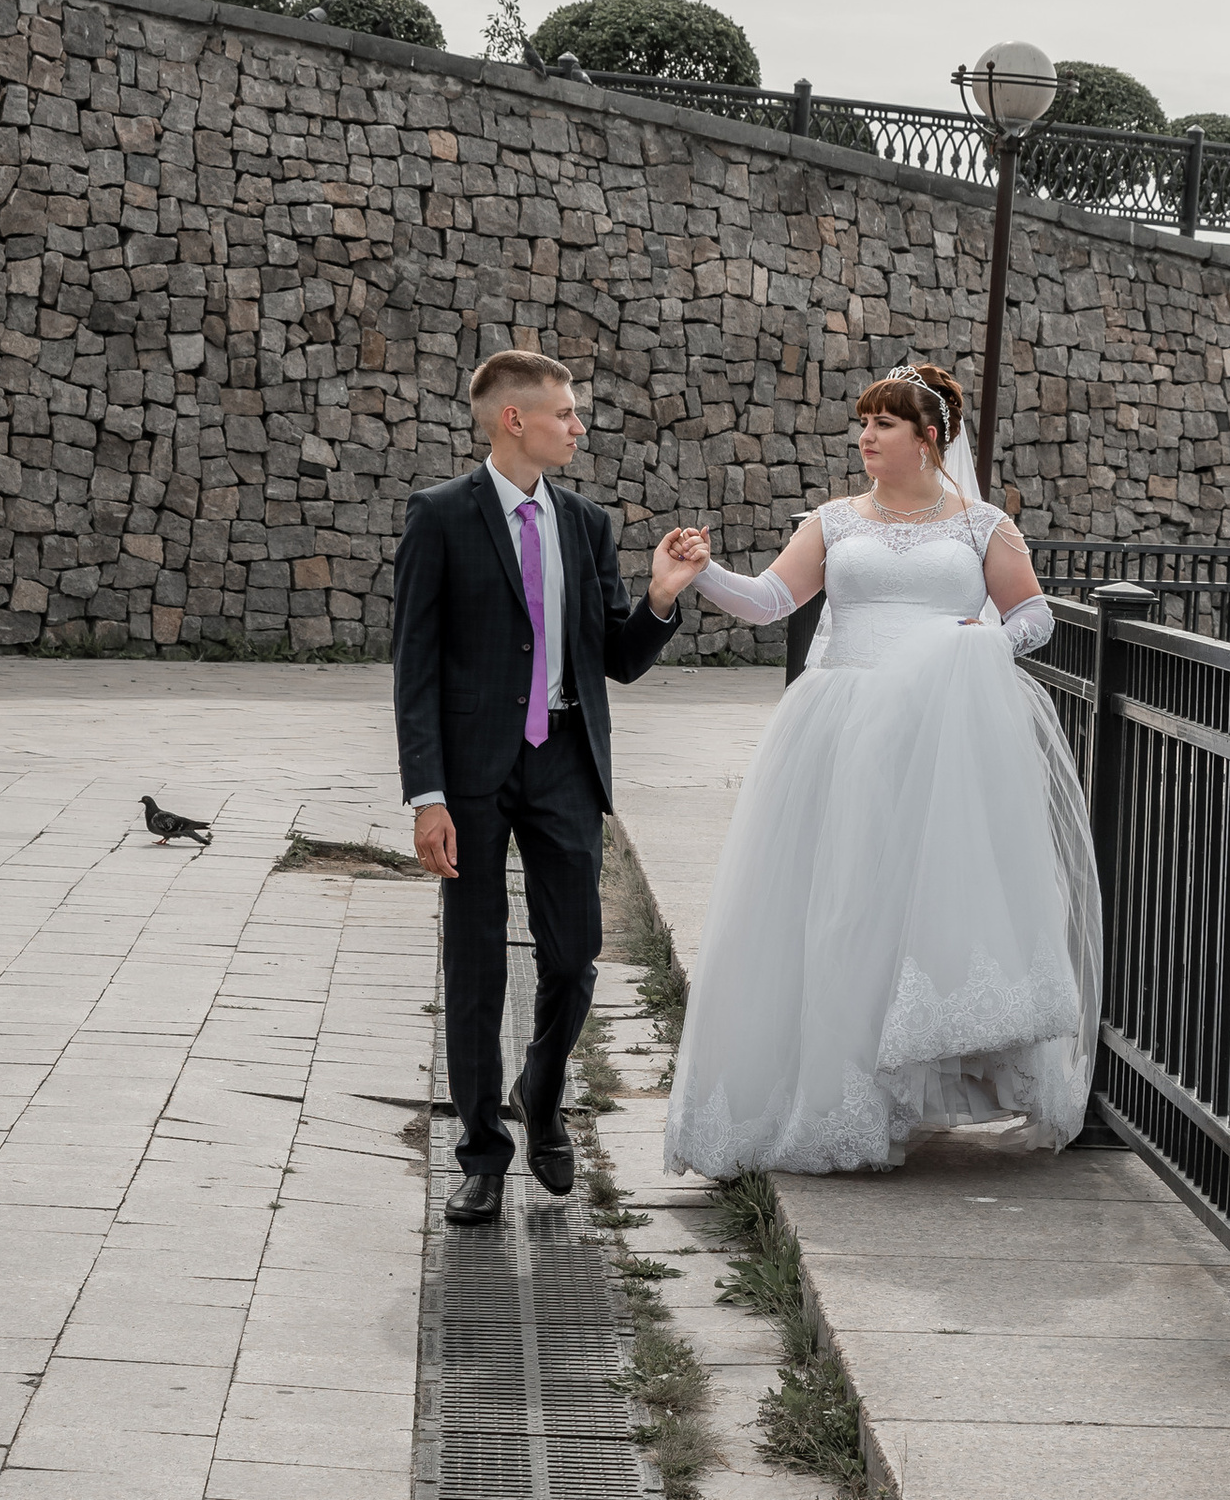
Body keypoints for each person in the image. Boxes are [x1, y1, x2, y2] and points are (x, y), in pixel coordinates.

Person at [660, 361, 1101, 1178]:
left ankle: (918, 1080)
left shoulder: (983, 526)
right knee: (839, 907)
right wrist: (702, 575)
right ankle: (836, 1096)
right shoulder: (833, 521)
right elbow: (769, 600)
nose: (865, 436)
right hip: (845, 726)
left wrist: (977, 647)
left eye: (883, 423)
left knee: (917, 904)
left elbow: (1033, 613)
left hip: (943, 737)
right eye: (862, 423)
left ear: (929, 437)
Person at [395, 350, 702, 1225]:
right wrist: (428, 795)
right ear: (513, 420)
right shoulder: (440, 517)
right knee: (477, 962)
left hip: (566, 760)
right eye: (565, 413)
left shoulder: (587, 522)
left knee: (572, 954)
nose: (578, 425)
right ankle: (483, 1153)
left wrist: (660, 598)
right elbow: (414, 667)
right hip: (473, 775)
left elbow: (618, 658)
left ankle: (542, 1084)